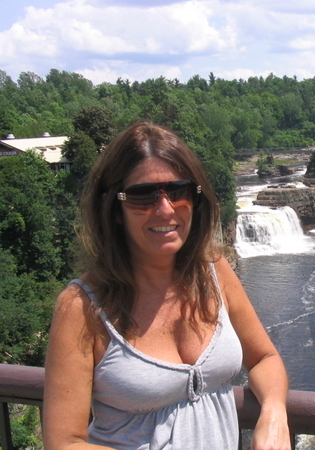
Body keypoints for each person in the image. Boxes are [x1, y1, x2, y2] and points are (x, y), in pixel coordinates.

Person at [43, 121, 291, 450]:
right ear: (115, 210)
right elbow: (64, 443)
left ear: (196, 197)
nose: (165, 209)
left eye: (178, 192)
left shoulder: (214, 272)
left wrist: (274, 412)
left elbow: (263, 359)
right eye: (142, 196)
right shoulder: (81, 307)